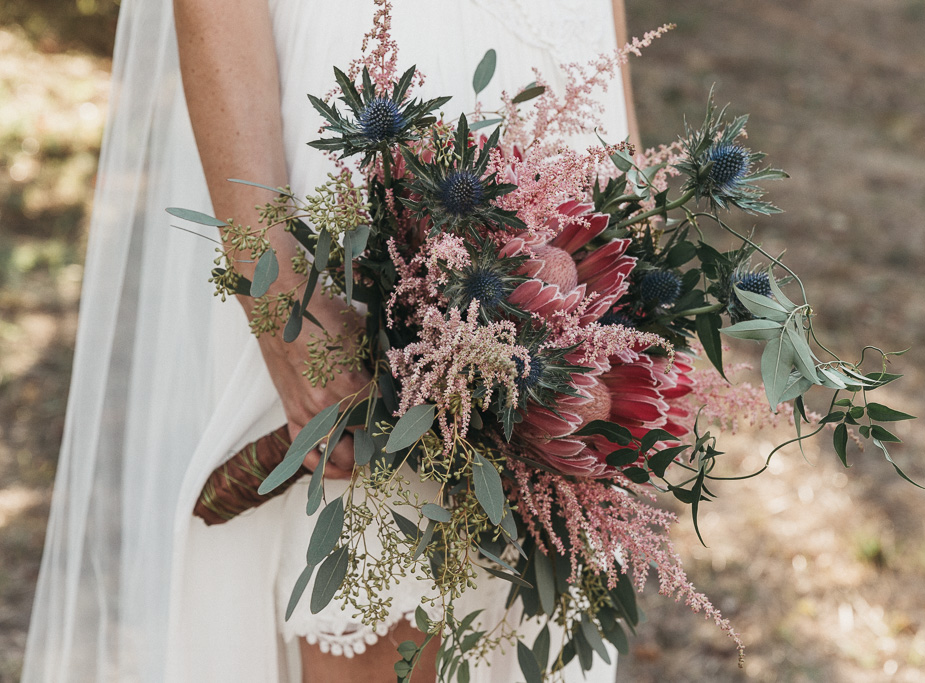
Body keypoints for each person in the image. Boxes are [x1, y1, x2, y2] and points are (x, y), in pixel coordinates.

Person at [22, 1, 638, 680]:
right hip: (378, 124)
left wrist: (635, 199)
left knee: (535, 608)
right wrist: (283, 290)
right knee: (382, 609)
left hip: (565, 83)